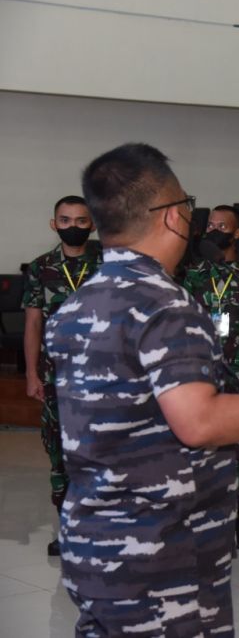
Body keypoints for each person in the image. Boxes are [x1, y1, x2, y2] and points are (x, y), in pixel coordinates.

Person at [46, 143, 239, 637]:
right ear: (170, 216)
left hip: (97, 540)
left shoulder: (81, 303)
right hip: (161, 553)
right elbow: (199, 422)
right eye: (187, 204)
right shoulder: (165, 305)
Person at [181, 205, 239, 549]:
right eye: (211, 225)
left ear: (237, 234)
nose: (215, 229)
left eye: (223, 226)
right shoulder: (194, 274)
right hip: (203, 374)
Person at [22, 195, 101, 556]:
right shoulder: (40, 268)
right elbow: (33, 323)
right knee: (60, 455)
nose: (73, 227)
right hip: (57, 378)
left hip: (105, 379)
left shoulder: (110, 263)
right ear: (54, 224)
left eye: (81, 220)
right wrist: (31, 374)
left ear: (93, 224)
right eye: (65, 220)